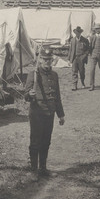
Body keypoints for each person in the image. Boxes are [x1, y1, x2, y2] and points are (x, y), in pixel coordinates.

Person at [24, 48, 65, 176]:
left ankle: (43, 168)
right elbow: (26, 95)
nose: (47, 62)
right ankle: (34, 170)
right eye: (45, 59)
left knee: (46, 141)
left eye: (49, 60)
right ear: (40, 60)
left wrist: (61, 114)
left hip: (50, 113)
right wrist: (30, 94)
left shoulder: (54, 75)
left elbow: (57, 96)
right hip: (37, 112)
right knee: (35, 141)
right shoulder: (33, 75)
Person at [68, 26, 90, 90]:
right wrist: (69, 59)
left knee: (81, 71)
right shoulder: (72, 40)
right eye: (76, 33)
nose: (77, 34)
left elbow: (88, 50)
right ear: (75, 33)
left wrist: (84, 56)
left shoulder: (85, 40)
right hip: (74, 58)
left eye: (79, 32)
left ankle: (83, 83)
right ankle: (74, 85)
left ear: (80, 33)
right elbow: (70, 50)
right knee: (74, 71)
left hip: (81, 58)